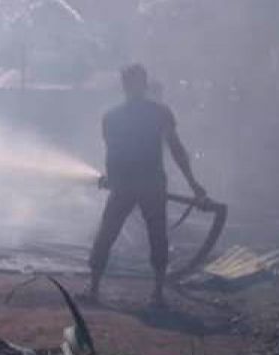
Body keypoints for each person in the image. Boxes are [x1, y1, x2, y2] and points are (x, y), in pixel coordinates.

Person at [86, 63, 207, 307]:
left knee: (114, 235)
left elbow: (174, 149)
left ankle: (101, 290)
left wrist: (194, 185)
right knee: (142, 236)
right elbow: (174, 149)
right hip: (146, 183)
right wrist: (194, 185)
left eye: (133, 81)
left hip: (133, 184)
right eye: (130, 82)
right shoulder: (155, 113)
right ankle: (154, 293)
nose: (131, 86)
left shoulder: (115, 116)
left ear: (139, 84)